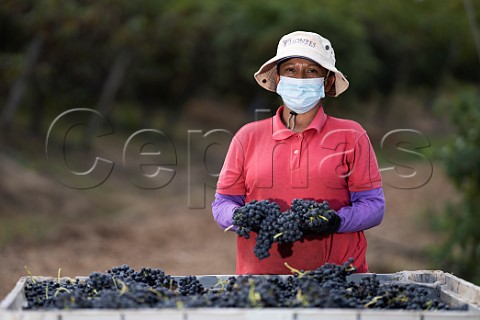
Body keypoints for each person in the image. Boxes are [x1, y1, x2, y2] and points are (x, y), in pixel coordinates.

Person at [212, 31, 385, 274]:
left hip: (339, 280)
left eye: (312, 71)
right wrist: (240, 217)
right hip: (260, 280)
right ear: (278, 78)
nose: (300, 78)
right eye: (291, 70)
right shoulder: (247, 137)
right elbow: (223, 204)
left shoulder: (351, 135)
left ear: (327, 82)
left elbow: (374, 206)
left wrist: (336, 221)